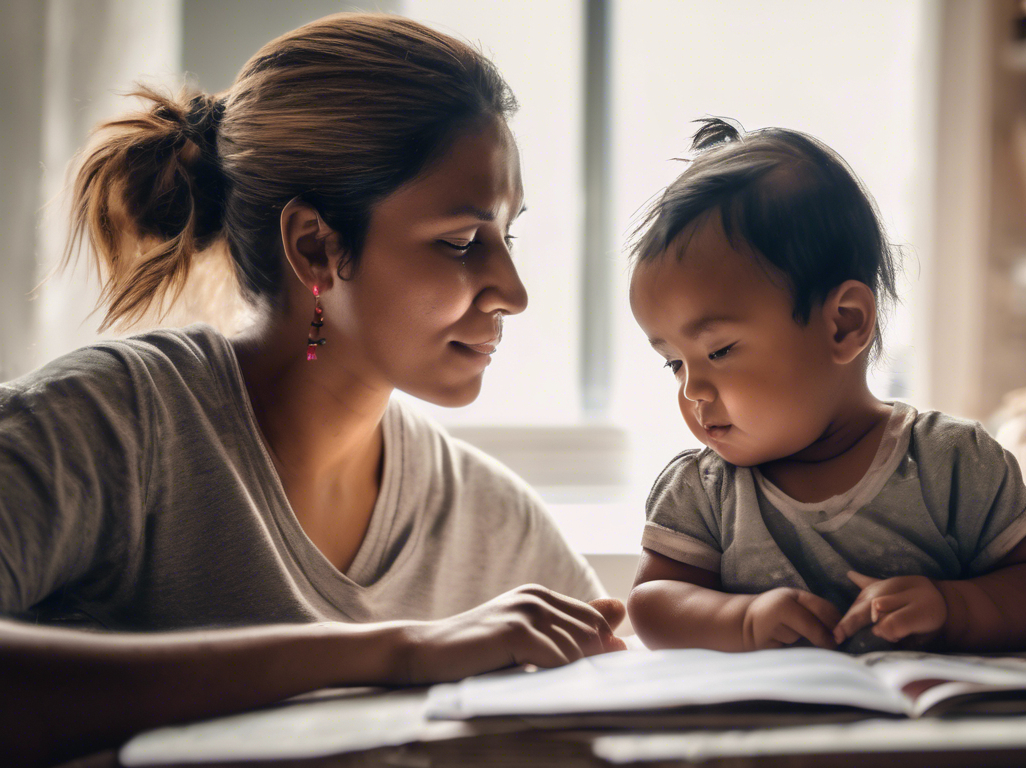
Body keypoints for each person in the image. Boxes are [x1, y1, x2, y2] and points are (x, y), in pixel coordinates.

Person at [0, 13, 622, 766]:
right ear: (316, 247)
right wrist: (394, 653)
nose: (513, 292)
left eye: (506, 236)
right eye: (461, 242)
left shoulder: (492, 525)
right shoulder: (112, 427)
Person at [625, 119, 1026, 654]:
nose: (693, 392)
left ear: (843, 324)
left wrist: (956, 608)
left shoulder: (949, 463)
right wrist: (742, 619)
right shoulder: (704, 491)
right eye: (675, 365)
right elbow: (654, 602)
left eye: (720, 351)